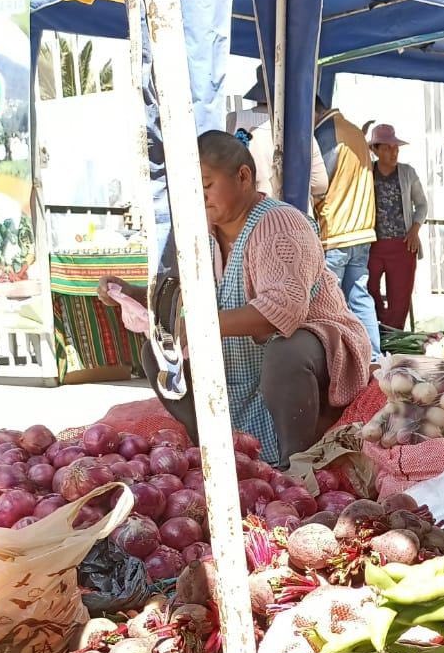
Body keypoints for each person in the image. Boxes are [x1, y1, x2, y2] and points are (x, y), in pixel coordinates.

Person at [98, 132, 369, 467]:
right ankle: (214, 453)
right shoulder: (203, 235)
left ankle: (297, 465)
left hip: (313, 351)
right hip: (242, 360)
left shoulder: (280, 223)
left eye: (206, 185)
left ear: (243, 176)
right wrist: (132, 293)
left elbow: (281, 312)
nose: (199, 196)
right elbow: (184, 292)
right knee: (157, 353)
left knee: (286, 352)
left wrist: (200, 326)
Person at [311, 97, 380, 359]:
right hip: (362, 230)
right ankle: (373, 359)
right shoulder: (353, 131)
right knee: (360, 297)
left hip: (335, 232)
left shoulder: (327, 135)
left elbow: (319, 183)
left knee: (326, 302)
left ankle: (334, 362)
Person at [364, 122, 427, 332]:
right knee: (368, 287)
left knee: (400, 296)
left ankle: (393, 336)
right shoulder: (367, 172)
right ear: (375, 150)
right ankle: (377, 329)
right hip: (373, 245)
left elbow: (422, 204)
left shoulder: (407, 172)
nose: (393, 153)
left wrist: (415, 229)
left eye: (395, 148)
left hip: (403, 244)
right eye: (387, 148)